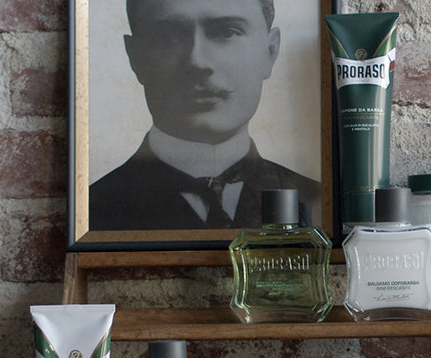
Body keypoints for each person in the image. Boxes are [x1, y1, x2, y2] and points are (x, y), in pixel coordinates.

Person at [90, 0, 320, 232]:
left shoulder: (319, 205)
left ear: (270, 51)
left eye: (227, 32)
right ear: (135, 57)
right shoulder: (92, 213)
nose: (197, 61)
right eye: (168, 37)